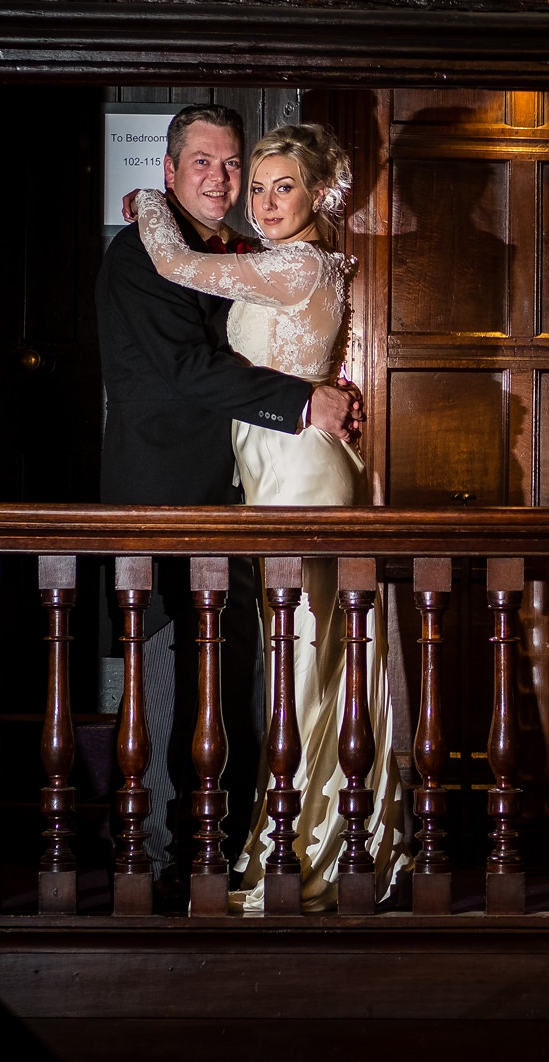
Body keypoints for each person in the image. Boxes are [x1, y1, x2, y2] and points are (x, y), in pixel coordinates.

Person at [130, 122, 407, 912]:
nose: (264, 201)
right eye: (257, 187)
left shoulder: (296, 264)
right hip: (275, 471)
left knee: (309, 662)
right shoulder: (283, 265)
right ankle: (307, 837)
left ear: (320, 194)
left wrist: (152, 197)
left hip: (298, 476)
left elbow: (176, 262)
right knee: (302, 660)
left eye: (283, 186)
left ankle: (317, 850)